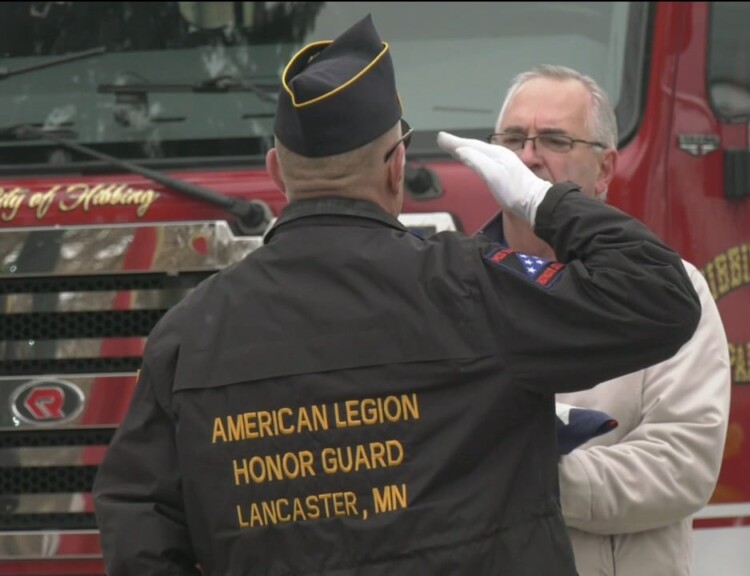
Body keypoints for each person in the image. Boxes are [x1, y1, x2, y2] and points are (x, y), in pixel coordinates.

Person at [91, 16, 703, 576]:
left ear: (277, 172)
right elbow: (660, 296)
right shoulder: (474, 286)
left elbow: (139, 523)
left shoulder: (187, 334)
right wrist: (542, 200)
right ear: (395, 167)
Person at [480, 64, 731, 576]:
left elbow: (681, 464)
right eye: (512, 139)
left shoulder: (668, 297)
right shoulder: (453, 286)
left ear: (605, 169)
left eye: (553, 139)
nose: (528, 156)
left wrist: (527, 480)